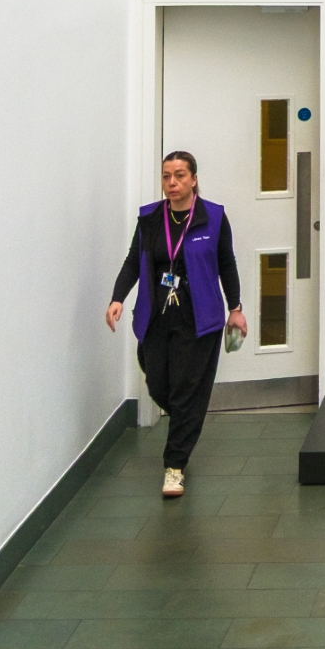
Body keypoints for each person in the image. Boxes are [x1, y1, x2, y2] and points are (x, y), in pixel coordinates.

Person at [105, 150, 244, 498]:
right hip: (157, 314)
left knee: (185, 389)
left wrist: (236, 308)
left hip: (199, 319)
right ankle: (186, 417)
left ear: (193, 179)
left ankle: (174, 466)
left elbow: (226, 264)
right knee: (158, 384)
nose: (172, 182)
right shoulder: (150, 218)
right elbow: (132, 261)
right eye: (167, 176)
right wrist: (118, 297)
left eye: (180, 175)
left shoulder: (213, 217)